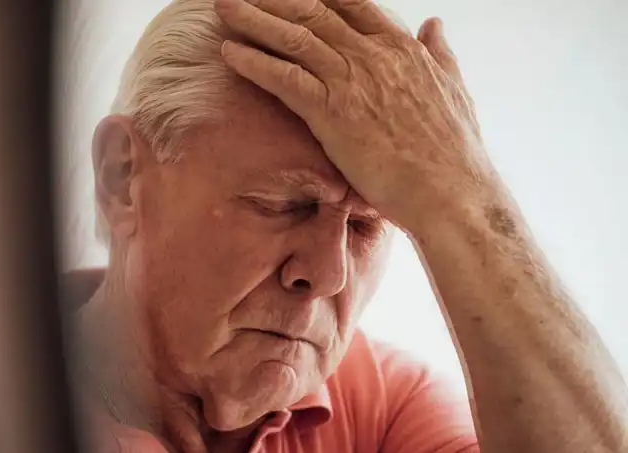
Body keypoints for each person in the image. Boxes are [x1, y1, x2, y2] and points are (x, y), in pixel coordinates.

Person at [70, 0, 628, 452]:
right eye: (285, 204)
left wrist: (463, 195)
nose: (329, 274)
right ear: (123, 178)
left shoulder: (383, 404)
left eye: (365, 225)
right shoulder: (19, 397)